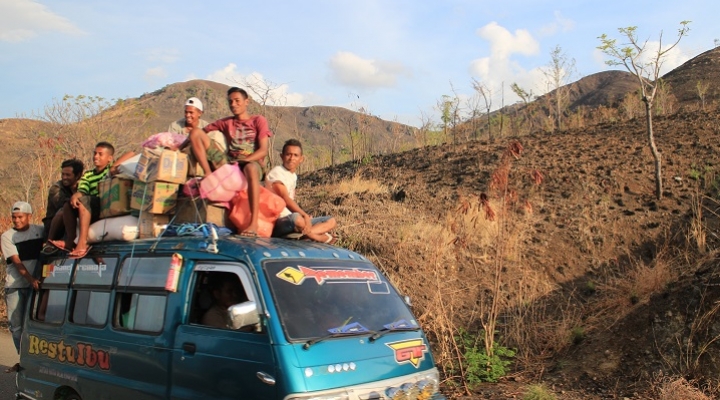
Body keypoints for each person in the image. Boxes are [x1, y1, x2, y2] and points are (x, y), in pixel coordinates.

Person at [188, 87, 272, 237]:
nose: (233, 104)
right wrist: (178, 146)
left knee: (251, 169)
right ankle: (208, 174)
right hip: (230, 162)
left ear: (247, 102)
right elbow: (202, 132)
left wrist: (245, 160)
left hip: (251, 162)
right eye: (230, 102)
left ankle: (253, 223)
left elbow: (263, 150)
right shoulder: (226, 122)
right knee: (195, 132)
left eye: (237, 101)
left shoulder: (258, 120)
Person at [51, 142, 132, 258]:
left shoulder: (111, 171)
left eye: (100, 154)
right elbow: (82, 190)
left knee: (85, 201)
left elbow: (132, 153)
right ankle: (71, 240)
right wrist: (75, 196)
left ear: (110, 158)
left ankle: (82, 243)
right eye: (94, 153)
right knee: (68, 204)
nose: (96, 157)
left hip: (103, 205)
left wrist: (114, 166)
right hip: (90, 207)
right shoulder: (88, 175)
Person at [266, 139, 337, 244]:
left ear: (301, 159)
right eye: (288, 154)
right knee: (297, 219)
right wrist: (304, 215)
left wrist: (306, 217)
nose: (292, 158)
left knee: (331, 221)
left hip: (293, 220)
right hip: (279, 222)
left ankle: (303, 235)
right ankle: (316, 237)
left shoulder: (293, 176)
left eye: (295, 155)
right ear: (282, 156)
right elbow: (285, 199)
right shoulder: (277, 173)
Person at [1, 202, 43, 353]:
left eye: (20, 217)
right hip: (16, 286)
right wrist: (31, 280)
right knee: (16, 325)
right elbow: (17, 262)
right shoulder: (7, 237)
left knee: (33, 324)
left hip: (35, 285)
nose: (17, 220)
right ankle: (23, 355)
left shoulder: (39, 231)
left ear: (29, 216)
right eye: (14, 217)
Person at [42, 159, 84, 241]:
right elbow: (64, 205)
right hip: (57, 228)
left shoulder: (83, 187)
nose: (64, 177)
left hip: (76, 224)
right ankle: (49, 242)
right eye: (63, 174)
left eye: (68, 175)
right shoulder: (56, 188)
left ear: (78, 175)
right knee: (64, 209)